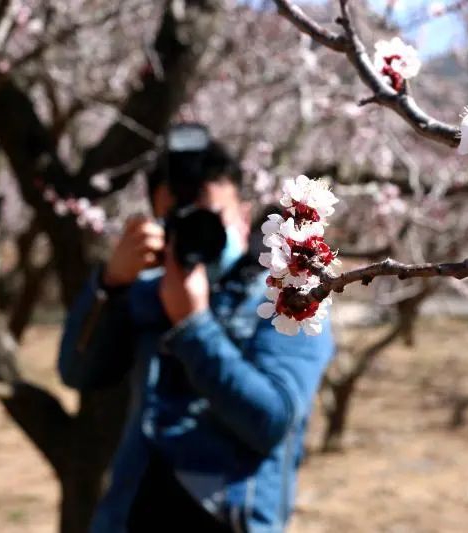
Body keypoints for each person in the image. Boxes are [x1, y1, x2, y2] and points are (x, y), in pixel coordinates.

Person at [58, 123, 335, 533]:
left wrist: (193, 325)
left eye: (207, 217)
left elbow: (271, 420)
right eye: (174, 221)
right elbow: (78, 372)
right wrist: (110, 285)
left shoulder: (285, 299)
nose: (191, 231)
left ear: (244, 216)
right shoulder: (145, 294)